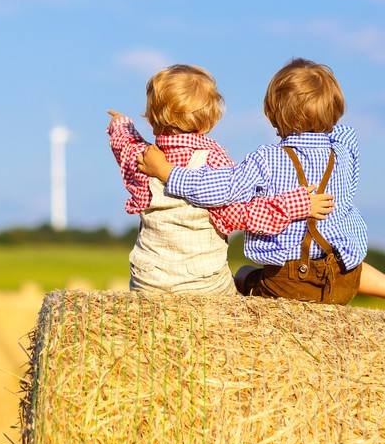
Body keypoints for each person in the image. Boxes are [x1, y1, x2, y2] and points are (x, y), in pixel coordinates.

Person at [138, 58, 385, 318]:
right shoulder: (343, 152)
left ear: (272, 113)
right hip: (341, 283)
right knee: (344, 261)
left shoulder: (267, 159)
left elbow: (223, 189)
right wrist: (327, 115)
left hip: (290, 286)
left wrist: (167, 172)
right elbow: (344, 134)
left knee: (242, 275)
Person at [108, 63, 335, 295]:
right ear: (210, 120)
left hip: (148, 282)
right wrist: (296, 205)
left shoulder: (144, 159)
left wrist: (120, 124)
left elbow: (124, 144)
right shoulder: (214, 161)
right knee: (239, 292)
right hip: (203, 285)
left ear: (151, 119)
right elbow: (242, 214)